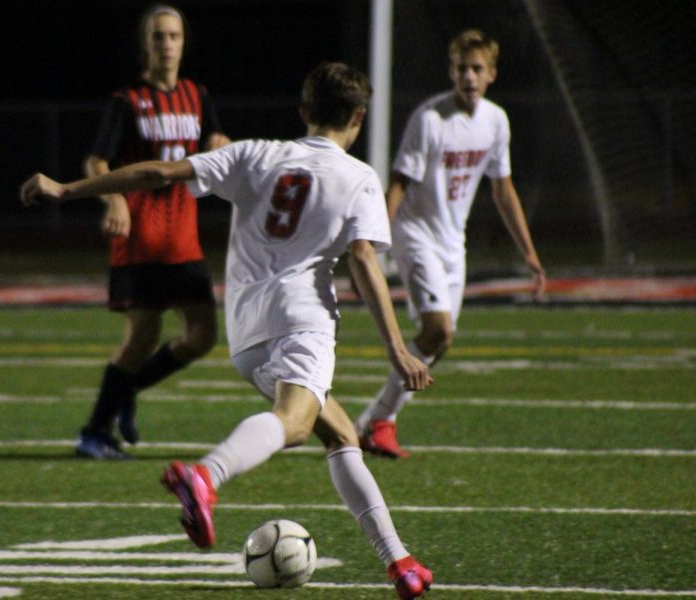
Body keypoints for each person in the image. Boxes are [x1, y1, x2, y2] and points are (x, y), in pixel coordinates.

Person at [22, 62, 435, 599]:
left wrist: (67, 188)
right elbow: (361, 259)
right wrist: (398, 348)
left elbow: (156, 174)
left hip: (246, 331)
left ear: (304, 112)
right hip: (301, 322)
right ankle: (207, 476)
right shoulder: (358, 177)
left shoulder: (255, 154)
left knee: (339, 434)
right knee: (292, 423)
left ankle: (398, 562)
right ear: (359, 116)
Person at [355, 29, 547, 458]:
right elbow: (400, 181)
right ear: (451, 71)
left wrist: (530, 254)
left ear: (492, 74)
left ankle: (375, 421)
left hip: (451, 242)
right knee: (439, 329)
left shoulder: (496, 121)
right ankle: (379, 421)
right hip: (415, 233)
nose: (469, 75)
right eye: (462, 68)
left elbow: (503, 190)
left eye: (477, 68)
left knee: (440, 339)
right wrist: (376, 237)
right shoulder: (430, 119)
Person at [75, 3, 230, 459]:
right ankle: (94, 431)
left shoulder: (198, 96)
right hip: (140, 238)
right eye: (159, 36)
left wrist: (220, 144)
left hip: (183, 238)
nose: (167, 44)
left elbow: (214, 144)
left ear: (184, 42)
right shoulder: (128, 101)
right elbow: (95, 161)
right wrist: (115, 198)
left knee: (202, 335)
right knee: (141, 338)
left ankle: (125, 392)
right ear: (147, 43)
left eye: (174, 36)